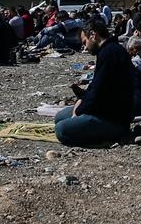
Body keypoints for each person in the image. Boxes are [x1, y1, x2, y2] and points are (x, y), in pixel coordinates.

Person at [55, 18, 135, 147]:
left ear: (93, 35)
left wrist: (80, 110)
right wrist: (81, 101)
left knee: (61, 130)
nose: (85, 47)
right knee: (60, 116)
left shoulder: (109, 53)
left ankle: (109, 137)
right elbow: (96, 87)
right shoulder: (108, 50)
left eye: (85, 42)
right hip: (105, 110)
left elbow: (99, 93)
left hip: (112, 118)